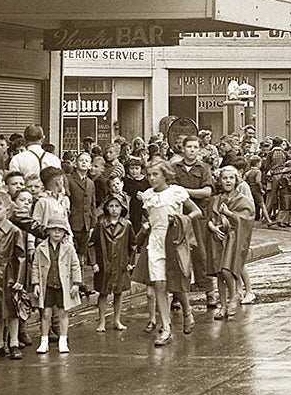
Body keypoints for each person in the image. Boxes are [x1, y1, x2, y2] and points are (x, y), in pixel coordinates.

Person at [138, 160, 201, 346]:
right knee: (159, 283)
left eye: (155, 174)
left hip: (175, 241)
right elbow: (149, 217)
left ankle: (187, 311)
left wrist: (182, 220)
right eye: (149, 175)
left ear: (165, 175)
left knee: (176, 284)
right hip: (156, 243)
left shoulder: (176, 192)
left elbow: (196, 211)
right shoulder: (148, 196)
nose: (151, 178)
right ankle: (166, 329)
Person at [171, 135, 216, 310]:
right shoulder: (175, 168)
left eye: (195, 147)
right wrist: (184, 194)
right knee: (179, 255)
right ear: (183, 149)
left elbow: (206, 192)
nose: (192, 150)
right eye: (189, 147)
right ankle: (177, 295)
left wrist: (184, 192)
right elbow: (172, 191)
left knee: (201, 254)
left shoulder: (204, 168)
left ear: (199, 150)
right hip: (180, 216)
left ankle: (209, 293)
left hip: (200, 217)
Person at [0, 192, 29, 360]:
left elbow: (22, 257)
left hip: (9, 274)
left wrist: (19, 280)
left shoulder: (15, 231)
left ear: (7, 210)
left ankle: (14, 343)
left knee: (12, 311)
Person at [206, 165, 256, 318]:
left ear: (236, 180)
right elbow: (207, 219)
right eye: (224, 178)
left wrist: (229, 213)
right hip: (217, 238)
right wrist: (213, 228)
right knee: (220, 273)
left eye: (231, 178)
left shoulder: (242, 199)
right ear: (219, 181)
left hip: (233, 239)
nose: (228, 181)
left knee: (227, 270)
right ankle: (222, 306)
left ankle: (234, 296)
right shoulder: (215, 199)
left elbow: (247, 218)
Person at [31, 215, 82, 354]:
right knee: (46, 313)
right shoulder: (40, 247)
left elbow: (75, 265)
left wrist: (76, 283)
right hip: (47, 285)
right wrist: (35, 283)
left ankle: (63, 340)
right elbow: (35, 266)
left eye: (60, 230)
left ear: (64, 232)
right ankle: (44, 341)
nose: (57, 233)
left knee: (63, 313)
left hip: (62, 285)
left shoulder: (69, 248)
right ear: (48, 231)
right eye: (54, 230)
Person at [91, 194, 133, 332]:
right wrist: (94, 263)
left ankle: (117, 320)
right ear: (106, 208)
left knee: (118, 292)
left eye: (117, 206)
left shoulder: (127, 225)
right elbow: (91, 243)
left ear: (122, 208)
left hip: (120, 264)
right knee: (103, 293)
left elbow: (133, 245)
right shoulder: (101, 224)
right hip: (104, 264)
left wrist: (130, 262)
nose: (114, 209)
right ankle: (102, 320)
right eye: (111, 206)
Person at [66, 151, 97, 264]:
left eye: (87, 161)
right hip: (73, 222)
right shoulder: (69, 180)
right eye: (81, 160)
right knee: (71, 253)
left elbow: (92, 204)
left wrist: (93, 223)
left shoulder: (90, 183)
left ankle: (80, 279)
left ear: (90, 166)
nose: (84, 162)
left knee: (82, 254)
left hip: (86, 224)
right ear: (75, 163)